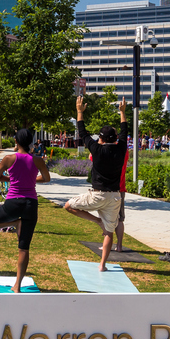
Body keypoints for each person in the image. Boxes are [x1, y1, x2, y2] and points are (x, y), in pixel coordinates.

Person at [0, 128, 51, 291]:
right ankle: (17, 285)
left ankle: (16, 222)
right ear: (30, 142)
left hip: (13, 204)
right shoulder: (38, 160)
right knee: (23, 248)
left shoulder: (9, 158)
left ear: (16, 142)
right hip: (31, 204)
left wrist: (12, 178)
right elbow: (46, 178)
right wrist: (30, 180)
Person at [63, 97, 129, 271]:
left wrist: (79, 111)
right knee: (109, 233)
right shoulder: (121, 148)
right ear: (114, 139)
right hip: (114, 196)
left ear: (100, 139)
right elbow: (124, 132)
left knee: (68, 206)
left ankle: (96, 221)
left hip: (97, 194)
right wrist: (122, 112)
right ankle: (102, 265)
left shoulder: (97, 149)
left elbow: (82, 132)